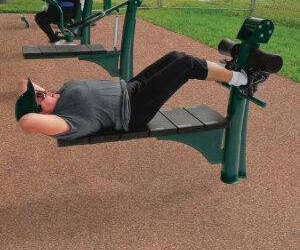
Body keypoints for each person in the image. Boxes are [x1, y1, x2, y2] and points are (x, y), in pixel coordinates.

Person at [15, 51, 267, 140]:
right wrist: (29, 109)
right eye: (39, 98)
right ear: (42, 112)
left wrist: (32, 93)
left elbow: (22, 83)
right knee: (186, 65)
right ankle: (244, 80)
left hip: (130, 88)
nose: (42, 91)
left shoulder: (58, 95)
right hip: (133, 110)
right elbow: (26, 122)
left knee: (176, 56)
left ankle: (226, 70)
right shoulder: (64, 121)